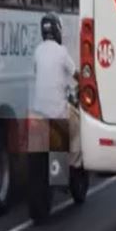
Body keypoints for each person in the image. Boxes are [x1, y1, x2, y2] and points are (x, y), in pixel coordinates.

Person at [31, 13, 80, 166]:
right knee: (78, 129)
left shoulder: (37, 51)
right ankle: (73, 166)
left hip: (38, 112)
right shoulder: (62, 52)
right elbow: (77, 75)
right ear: (58, 30)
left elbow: (37, 73)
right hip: (58, 112)